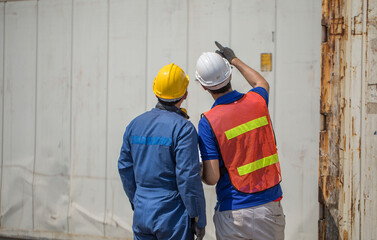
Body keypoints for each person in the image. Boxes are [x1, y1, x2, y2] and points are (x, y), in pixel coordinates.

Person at [196, 42, 285, 240]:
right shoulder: (257, 101)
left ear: (203, 86)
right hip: (269, 208)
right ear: (230, 75)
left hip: (233, 214)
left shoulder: (209, 121)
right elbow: (262, 83)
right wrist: (234, 60)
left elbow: (212, 178)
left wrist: (197, 172)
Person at [118, 63, 206, 240]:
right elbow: (187, 177)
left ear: (155, 90)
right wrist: (199, 218)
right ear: (185, 94)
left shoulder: (134, 125)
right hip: (172, 217)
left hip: (142, 212)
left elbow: (124, 168)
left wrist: (138, 202)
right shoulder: (183, 129)